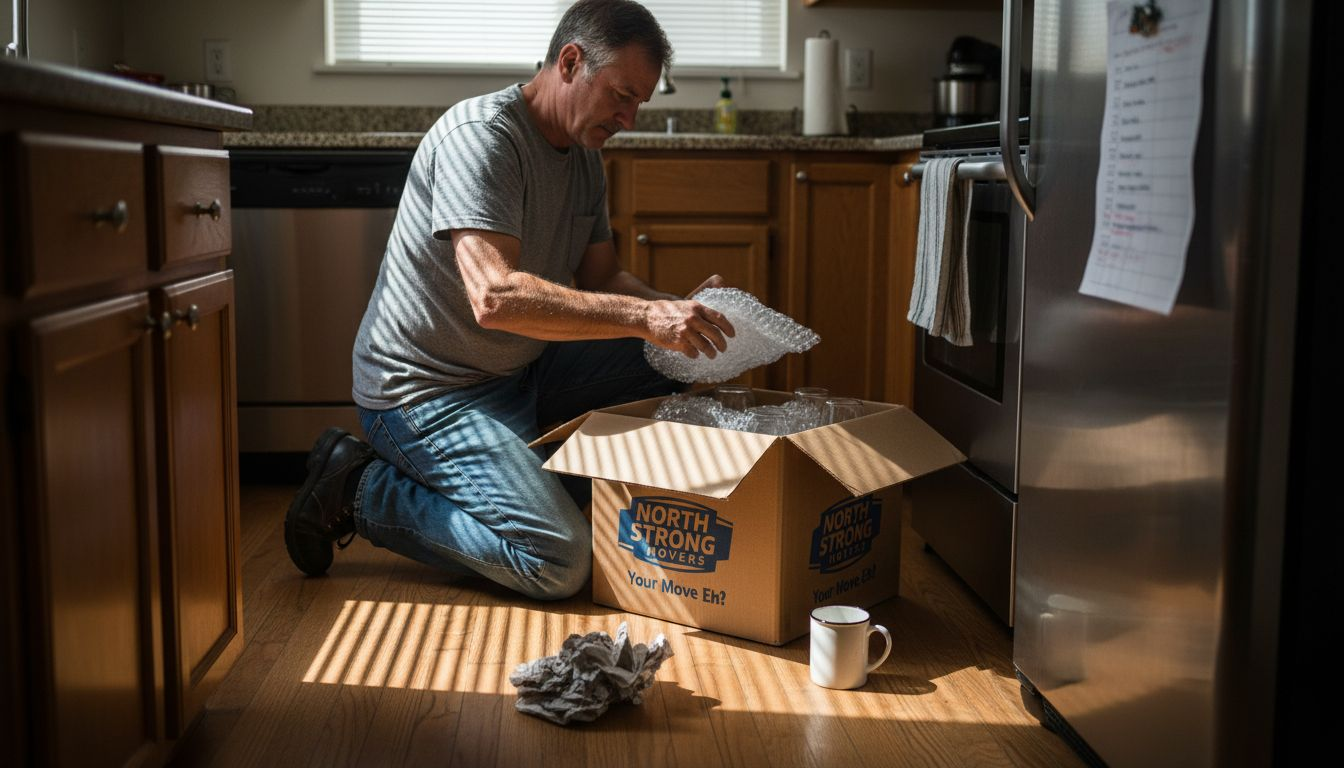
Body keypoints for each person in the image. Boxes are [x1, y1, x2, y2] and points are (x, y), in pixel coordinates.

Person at [283, 0, 735, 600]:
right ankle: (361, 485)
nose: (629, 117)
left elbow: (604, 277)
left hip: (520, 371)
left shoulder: (585, 156)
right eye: (622, 95)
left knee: (679, 357)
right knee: (559, 560)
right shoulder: (482, 137)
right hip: (424, 393)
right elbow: (495, 297)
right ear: (570, 62)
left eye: (640, 103)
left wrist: (676, 309)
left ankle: (533, 481)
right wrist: (648, 317)